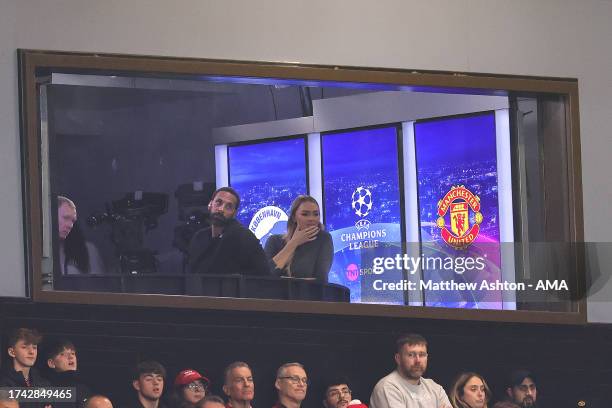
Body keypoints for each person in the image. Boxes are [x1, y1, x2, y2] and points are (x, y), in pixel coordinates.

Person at [187, 187, 268, 275]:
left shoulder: (243, 237)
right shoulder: (199, 237)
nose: (221, 209)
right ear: (210, 204)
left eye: (228, 207)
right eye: (219, 203)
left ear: (234, 213)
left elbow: (264, 273)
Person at [370, 334, 451, 408]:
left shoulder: (435, 388)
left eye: (422, 355)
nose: (418, 360)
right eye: (411, 355)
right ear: (398, 359)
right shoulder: (388, 387)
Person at [264, 195, 333, 282]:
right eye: (305, 214)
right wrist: (294, 242)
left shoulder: (323, 239)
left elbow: (320, 280)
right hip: (276, 295)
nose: (312, 219)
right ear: (294, 217)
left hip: (308, 294)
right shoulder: (274, 241)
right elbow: (266, 275)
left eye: (316, 214)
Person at [57, 195, 104, 274]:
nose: (69, 224)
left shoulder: (89, 250)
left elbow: (98, 282)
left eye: (72, 220)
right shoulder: (40, 252)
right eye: (65, 218)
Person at [44, 338, 93, 407]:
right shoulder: (45, 388)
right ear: (51, 363)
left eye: (73, 353)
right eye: (62, 354)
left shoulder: (85, 387)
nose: (71, 357)